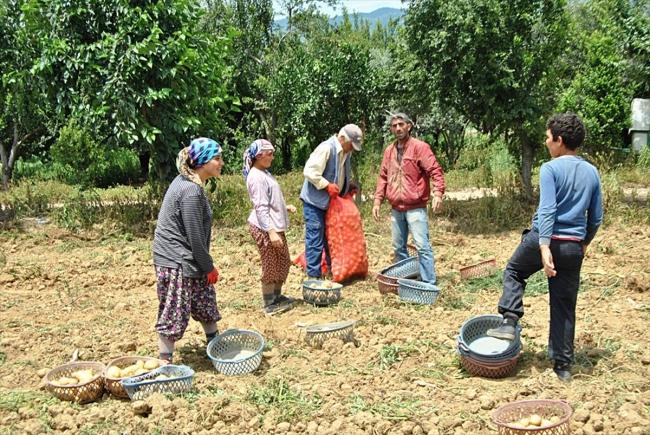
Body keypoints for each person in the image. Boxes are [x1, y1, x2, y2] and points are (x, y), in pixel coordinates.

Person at [486, 112, 603, 382]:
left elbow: (548, 209)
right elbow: (596, 217)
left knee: (515, 270)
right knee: (564, 304)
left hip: (547, 238)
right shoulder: (592, 172)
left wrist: (544, 246)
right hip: (573, 246)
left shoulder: (550, 169)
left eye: (548, 137)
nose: (546, 141)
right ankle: (563, 367)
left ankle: (508, 321)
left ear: (559, 141)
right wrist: (584, 242)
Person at [152, 137, 224, 364]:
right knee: (174, 310)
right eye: (217, 158)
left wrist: (204, 266)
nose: (221, 163)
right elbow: (194, 236)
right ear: (203, 162)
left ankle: (218, 350)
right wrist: (208, 266)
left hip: (187, 258)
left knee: (205, 301)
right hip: (176, 260)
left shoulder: (188, 182)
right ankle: (165, 363)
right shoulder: (190, 190)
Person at [372, 113, 445, 284]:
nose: (398, 128)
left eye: (401, 124)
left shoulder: (420, 147)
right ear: (391, 129)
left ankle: (428, 282)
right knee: (398, 247)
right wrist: (377, 201)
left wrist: (438, 193)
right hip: (396, 208)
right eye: (394, 125)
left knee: (422, 246)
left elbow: (435, 171)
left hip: (415, 207)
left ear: (409, 126)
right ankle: (407, 279)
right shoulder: (389, 151)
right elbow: (383, 177)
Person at [300, 124, 364, 279]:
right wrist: (326, 185)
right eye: (351, 145)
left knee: (332, 236)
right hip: (315, 201)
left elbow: (338, 174)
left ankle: (332, 269)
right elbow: (309, 171)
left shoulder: (346, 152)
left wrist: (346, 188)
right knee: (316, 236)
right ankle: (314, 276)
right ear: (342, 139)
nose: (353, 149)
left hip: (330, 202)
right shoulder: (326, 148)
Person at [243, 139, 297, 315]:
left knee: (283, 261)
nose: (273, 158)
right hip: (265, 227)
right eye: (270, 154)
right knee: (271, 264)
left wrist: (284, 207)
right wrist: (271, 232)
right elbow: (260, 207)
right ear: (259, 156)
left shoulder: (264, 173)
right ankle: (269, 304)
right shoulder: (256, 177)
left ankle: (277, 297)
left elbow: (269, 200)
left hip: (272, 225)